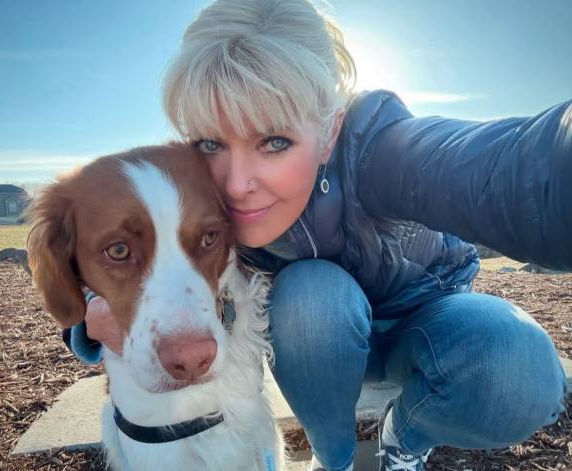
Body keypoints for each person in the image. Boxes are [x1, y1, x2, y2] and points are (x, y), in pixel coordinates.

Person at [62, 1, 571, 470]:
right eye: (212, 142)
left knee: (518, 373)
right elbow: (123, 237)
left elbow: (509, 167)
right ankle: (334, 458)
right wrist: (91, 314)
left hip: (426, 319)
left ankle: (404, 438)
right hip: (315, 344)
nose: (236, 185)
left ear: (329, 132)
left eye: (274, 141)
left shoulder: (384, 150)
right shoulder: (198, 192)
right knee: (311, 295)